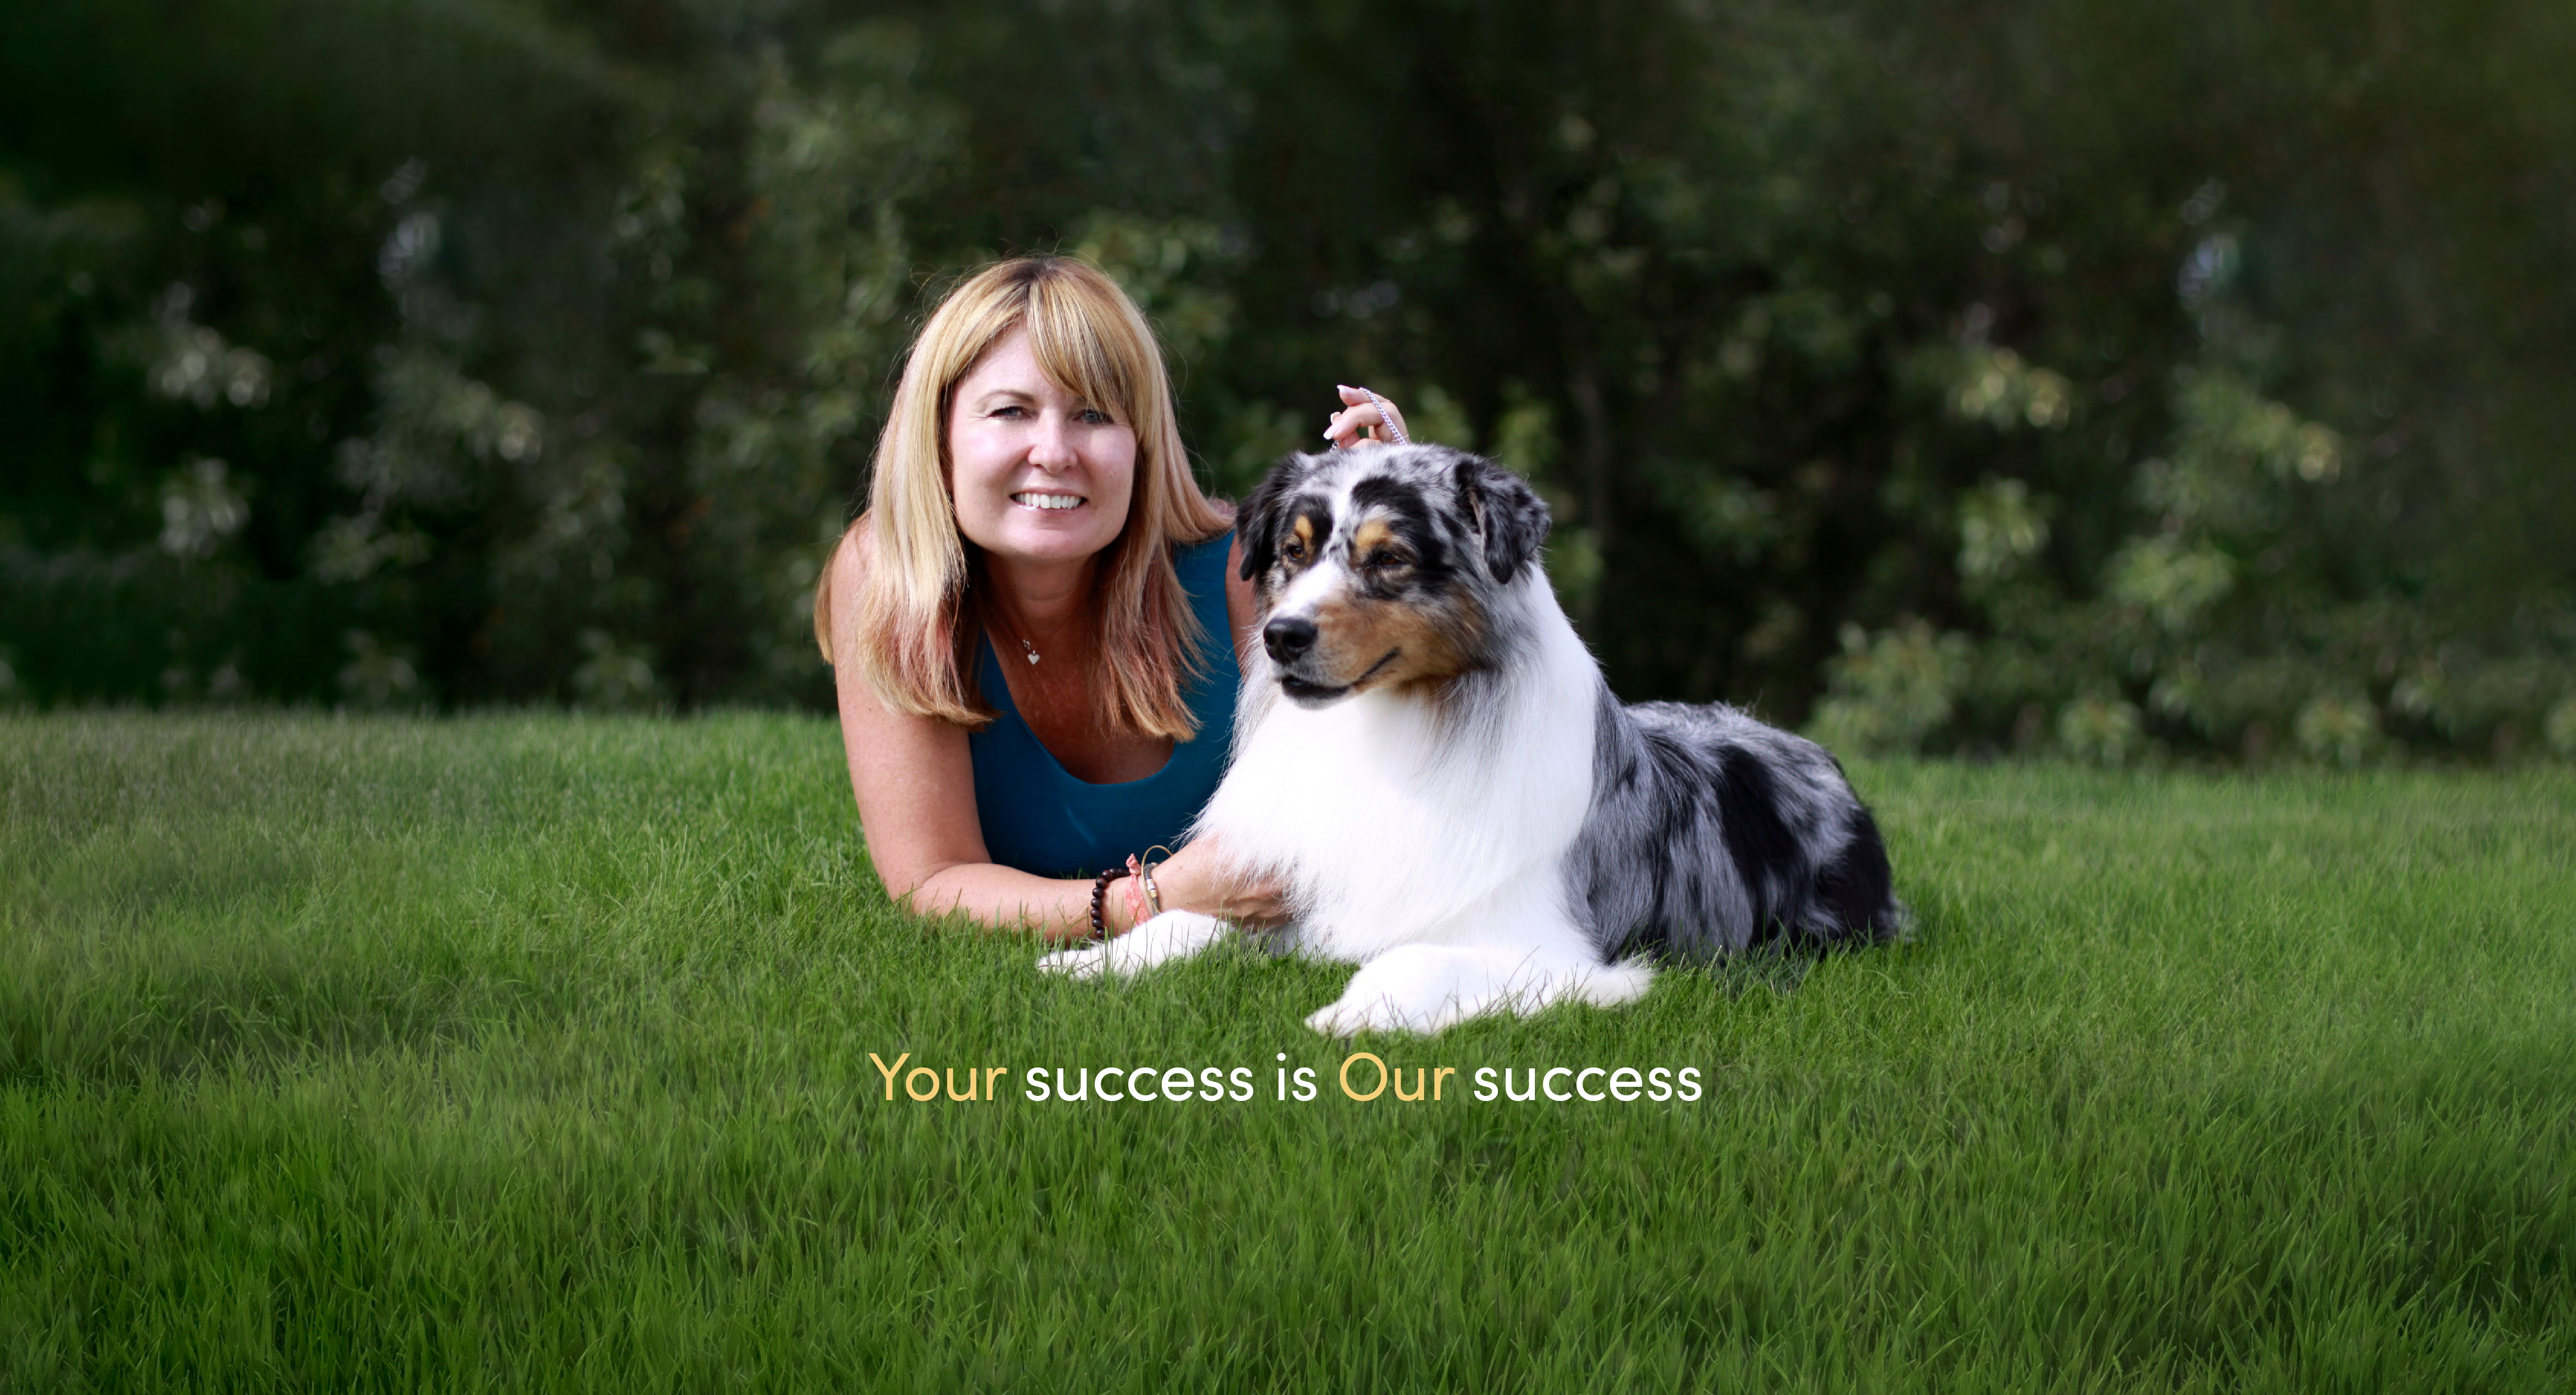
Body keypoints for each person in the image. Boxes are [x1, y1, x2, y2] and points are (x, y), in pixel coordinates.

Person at [813, 256, 1410, 943]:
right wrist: (1153, 900)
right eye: (1011, 411)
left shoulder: (1248, 567)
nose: (1055, 452)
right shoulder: (890, 574)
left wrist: (1407, 512)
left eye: (1094, 414)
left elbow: (1405, 771)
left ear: (1143, 446)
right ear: (940, 436)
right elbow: (933, 879)